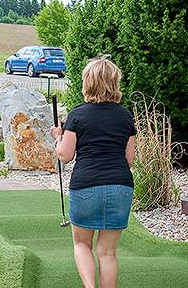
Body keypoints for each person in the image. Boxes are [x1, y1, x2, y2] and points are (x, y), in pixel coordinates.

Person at [50, 56, 136, 288]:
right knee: (107, 252)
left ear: (87, 83)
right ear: (114, 82)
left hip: (86, 185)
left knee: (81, 244)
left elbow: (65, 155)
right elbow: (129, 159)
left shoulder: (77, 115)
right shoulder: (126, 116)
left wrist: (58, 137)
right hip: (120, 186)